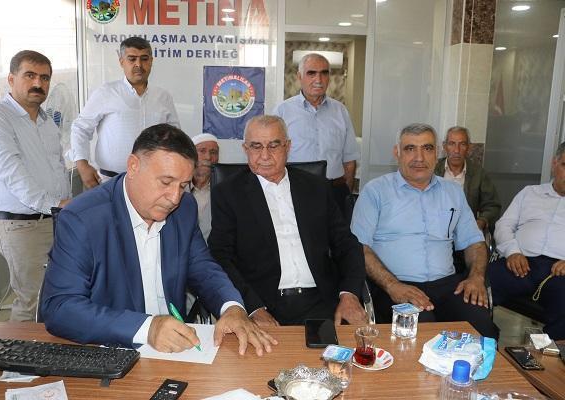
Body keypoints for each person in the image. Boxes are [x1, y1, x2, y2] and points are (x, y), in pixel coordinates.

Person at [41, 124, 276, 355]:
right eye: (165, 182)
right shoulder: (83, 219)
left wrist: (232, 307)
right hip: (111, 350)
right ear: (133, 166)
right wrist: (147, 328)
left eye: (183, 186)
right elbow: (59, 307)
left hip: (177, 351)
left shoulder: (184, 208)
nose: (174, 198)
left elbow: (204, 269)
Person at [208, 115, 368, 327]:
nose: (265, 155)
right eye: (256, 146)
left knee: (340, 349)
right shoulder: (228, 193)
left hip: (321, 301)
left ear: (288, 147)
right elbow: (220, 256)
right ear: (245, 149)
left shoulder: (316, 187)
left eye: (274, 145)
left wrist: (349, 295)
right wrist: (252, 308)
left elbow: (346, 244)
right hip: (263, 304)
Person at [350, 123, 498, 338]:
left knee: (482, 328)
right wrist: (393, 286)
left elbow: (474, 242)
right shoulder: (375, 191)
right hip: (394, 285)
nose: (419, 158)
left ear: (437, 153)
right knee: (423, 333)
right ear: (397, 153)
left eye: (427, 148)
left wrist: (476, 278)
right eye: (410, 148)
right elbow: (358, 248)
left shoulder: (453, 192)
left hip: (448, 285)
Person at [0, 50, 71, 321]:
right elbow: (11, 171)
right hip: (22, 225)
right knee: (33, 301)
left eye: (45, 78)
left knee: (58, 295)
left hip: (56, 220)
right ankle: (19, 351)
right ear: (11, 79)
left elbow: (58, 168)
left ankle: (50, 348)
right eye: (30, 75)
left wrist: (66, 206)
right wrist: (56, 204)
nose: (38, 83)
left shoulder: (46, 121)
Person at [70, 37, 180, 188]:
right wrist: (82, 164)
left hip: (152, 183)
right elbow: (80, 128)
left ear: (151, 61)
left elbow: (175, 137)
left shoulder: (163, 97)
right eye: (132, 59)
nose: (138, 64)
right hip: (110, 182)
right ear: (121, 61)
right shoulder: (106, 93)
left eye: (144, 59)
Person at [488, 141, 565, 340]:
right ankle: (483, 341)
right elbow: (504, 225)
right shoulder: (530, 193)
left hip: (559, 272)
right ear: (554, 164)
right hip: (520, 262)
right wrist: (512, 252)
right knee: (477, 285)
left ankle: (548, 354)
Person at [273, 53, 360, 215]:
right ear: (300, 77)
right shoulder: (282, 111)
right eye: (311, 73)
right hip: (295, 191)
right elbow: (273, 157)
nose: (318, 79)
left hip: (334, 192)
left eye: (324, 73)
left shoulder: (340, 111)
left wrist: (345, 193)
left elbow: (349, 161)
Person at [434, 126, 501, 231]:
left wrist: (481, 221)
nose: (457, 150)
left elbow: (492, 206)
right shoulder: (433, 170)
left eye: (462, 144)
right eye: (452, 143)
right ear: (444, 146)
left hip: (466, 230)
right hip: (435, 228)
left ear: (469, 147)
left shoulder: (478, 174)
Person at [190, 133, 219, 241]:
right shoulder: (178, 188)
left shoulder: (225, 191)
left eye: (213, 152)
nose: (208, 157)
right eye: (202, 151)